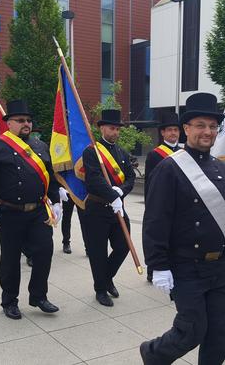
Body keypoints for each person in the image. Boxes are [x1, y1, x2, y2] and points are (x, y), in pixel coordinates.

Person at [139, 93, 225, 364]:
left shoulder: (224, 170)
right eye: (200, 125)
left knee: (219, 335)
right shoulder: (169, 169)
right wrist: (158, 265)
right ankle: (152, 354)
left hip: (219, 268)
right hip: (186, 266)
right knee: (191, 331)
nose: (207, 132)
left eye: (212, 126)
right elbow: (155, 220)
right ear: (186, 128)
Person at [0, 100, 62, 319]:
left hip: (38, 212)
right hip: (10, 212)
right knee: (11, 259)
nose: (26, 123)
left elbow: (49, 176)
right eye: (21, 120)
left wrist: (56, 199)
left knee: (44, 252)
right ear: (9, 123)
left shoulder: (39, 146)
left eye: (29, 120)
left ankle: (38, 296)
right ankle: (9, 300)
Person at [81, 109, 135, 307]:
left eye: (117, 129)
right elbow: (93, 179)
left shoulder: (121, 152)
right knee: (98, 251)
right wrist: (111, 194)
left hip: (117, 207)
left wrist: (120, 193)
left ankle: (107, 277)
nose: (115, 132)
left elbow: (131, 177)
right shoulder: (91, 151)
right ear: (102, 128)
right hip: (97, 208)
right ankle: (100, 289)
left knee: (123, 245)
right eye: (112, 128)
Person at [143, 111, 181, 282]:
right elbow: (150, 184)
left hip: (179, 203)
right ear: (163, 133)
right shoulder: (154, 155)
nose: (173, 133)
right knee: (160, 236)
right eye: (170, 130)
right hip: (161, 202)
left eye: (176, 129)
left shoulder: (184, 152)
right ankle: (153, 269)